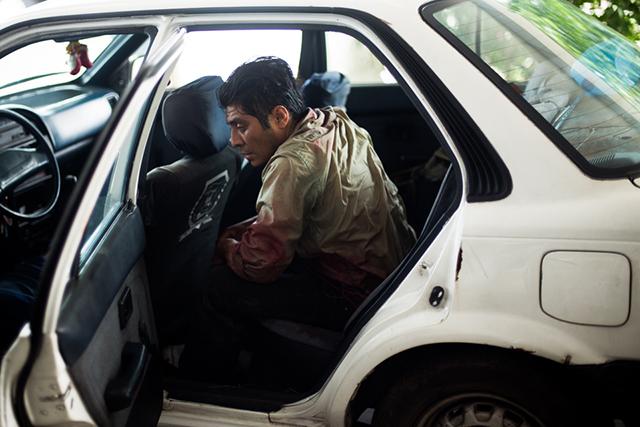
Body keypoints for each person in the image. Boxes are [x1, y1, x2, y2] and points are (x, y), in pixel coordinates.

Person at [180, 57, 415, 381]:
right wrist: (238, 234)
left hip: (351, 297)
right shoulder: (334, 122)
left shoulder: (291, 163)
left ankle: (204, 383)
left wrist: (224, 247)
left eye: (241, 125)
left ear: (279, 116)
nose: (234, 141)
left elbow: (261, 264)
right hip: (394, 276)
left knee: (215, 286)